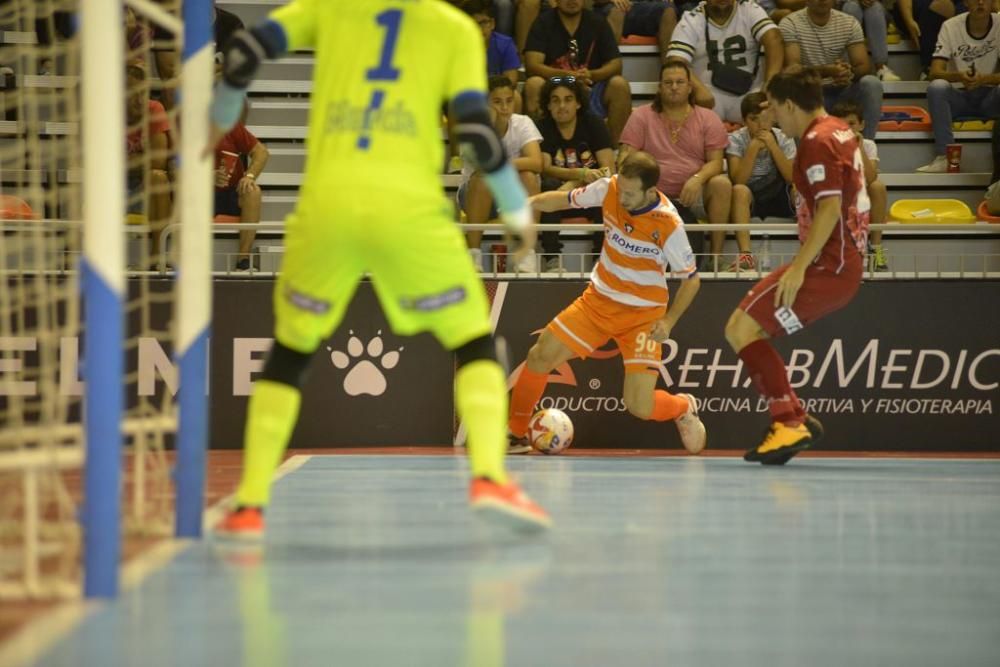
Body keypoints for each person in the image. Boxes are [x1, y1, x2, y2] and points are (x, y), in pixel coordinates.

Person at [208, 0, 550, 536]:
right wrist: (511, 199)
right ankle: (489, 476)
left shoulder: (330, 10)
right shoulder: (453, 28)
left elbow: (247, 49)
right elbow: (479, 133)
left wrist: (226, 108)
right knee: (474, 341)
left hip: (328, 208)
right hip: (406, 210)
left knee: (291, 352)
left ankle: (250, 504)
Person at [507, 151, 707, 455]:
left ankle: (683, 406)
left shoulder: (669, 224)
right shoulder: (610, 188)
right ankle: (515, 434)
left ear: (650, 191)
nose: (621, 196)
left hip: (643, 317)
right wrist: (529, 203)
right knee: (539, 356)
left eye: (629, 193)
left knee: (639, 405)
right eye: (620, 188)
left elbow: (691, 279)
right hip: (597, 303)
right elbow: (564, 201)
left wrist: (668, 321)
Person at [724, 67, 870, 465]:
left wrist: (799, 267)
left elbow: (827, 208)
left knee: (740, 328)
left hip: (829, 264)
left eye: (773, 108)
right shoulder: (838, 128)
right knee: (746, 328)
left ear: (790, 105)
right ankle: (793, 418)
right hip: (842, 262)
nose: (771, 117)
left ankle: (789, 422)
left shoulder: (815, 141)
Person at [618, 61, 732, 270]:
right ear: (659, 88)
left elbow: (716, 163)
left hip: (693, 193)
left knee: (721, 184)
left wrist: (697, 179)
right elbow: (628, 158)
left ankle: (716, 259)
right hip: (651, 193)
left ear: (690, 88)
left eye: (680, 82)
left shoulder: (708, 118)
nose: (674, 87)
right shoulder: (641, 115)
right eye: (668, 82)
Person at [459, 76, 543, 271]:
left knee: (529, 176)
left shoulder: (523, 122)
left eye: (509, 101)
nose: (505, 107)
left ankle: (527, 251)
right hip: (476, 195)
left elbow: (537, 162)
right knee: (483, 180)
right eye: (497, 102)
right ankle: (473, 254)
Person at [535, 76, 616, 271]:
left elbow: (608, 169)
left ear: (578, 103)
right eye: (555, 100)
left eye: (568, 99)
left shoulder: (593, 124)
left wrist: (576, 185)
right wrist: (580, 174)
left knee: (606, 188)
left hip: (587, 195)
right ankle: (552, 258)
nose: (562, 106)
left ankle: (602, 258)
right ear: (548, 105)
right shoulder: (543, 126)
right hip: (558, 194)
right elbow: (545, 167)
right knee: (548, 185)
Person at [523, 0, 633, 143]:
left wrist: (592, 74)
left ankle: (615, 151)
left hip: (590, 83)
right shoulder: (543, 22)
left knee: (619, 84)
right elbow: (532, 65)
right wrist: (566, 76)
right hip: (555, 83)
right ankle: (538, 149)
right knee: (534, 84)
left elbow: (616, 64)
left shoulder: (597, 22)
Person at [665, 0, 784, 123]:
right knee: (687, 103)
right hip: (708, 94)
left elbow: (774, 38)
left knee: (767, 107)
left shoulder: (749, 9)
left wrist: (770, 83)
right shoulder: (691, 19)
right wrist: (698, 88)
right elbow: (676, 61)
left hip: (750, 92)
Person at [780, 0, 884, 140]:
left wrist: (848, 73)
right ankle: (803, 156)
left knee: (872, 83)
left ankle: (866, 147)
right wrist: (826, 71)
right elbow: (793, 70)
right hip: (809, 94)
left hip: (841, 91)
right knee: (793, 91)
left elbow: (863, 66)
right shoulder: (790, 23)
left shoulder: (849, 22)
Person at [916, 0, 1000, 173]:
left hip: (990, 97)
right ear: (966, 2)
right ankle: (944, 156)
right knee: (937, 87)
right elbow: (935, 72)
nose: (981, 2)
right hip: (959, 96)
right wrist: (958, 76)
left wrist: (984, 79)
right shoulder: (950, 26)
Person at [726, 91, 796, 271]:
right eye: (753, 119)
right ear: (744, 120)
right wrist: (752, 149)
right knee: (739, 190)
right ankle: (746, 255)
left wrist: (773, 146)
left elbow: (791, 177)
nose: (760, 125)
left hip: (779, 192)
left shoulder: (784, 137)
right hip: (751, 196)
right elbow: (738, 179)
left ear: (773, 119)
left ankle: (810, 251)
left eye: (765, 119)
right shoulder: (736, 139)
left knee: (800, 190)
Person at [830, 99, 888, 271]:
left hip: (860, 197)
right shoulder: (827, 145)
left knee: (878, 187)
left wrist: (858, 148)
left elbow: (870, 178)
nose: (846, 128)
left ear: (861, 125)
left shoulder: (868, 145)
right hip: (837, 196)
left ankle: (875, 248)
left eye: (851, 123)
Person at [214, 118, 269, 271]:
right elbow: (175, 168)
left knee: (253, 191)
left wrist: (249, 176)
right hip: (198, 193)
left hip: (231, 191)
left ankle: (243, 260)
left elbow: (261, 152)